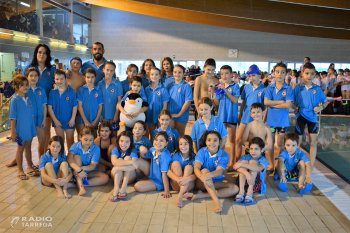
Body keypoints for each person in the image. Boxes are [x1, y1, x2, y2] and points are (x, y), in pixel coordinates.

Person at [291, 62, 329, 170]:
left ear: (315, 75)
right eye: (307, 73)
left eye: (312, 74)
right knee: (297, 143)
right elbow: (291, 103)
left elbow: (325, 102)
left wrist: (321, 107)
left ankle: (311, 165)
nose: (309, 76)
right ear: (302, 73)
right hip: (300, 118)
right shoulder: (297, 88)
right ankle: (296, 164)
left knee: (313, 143)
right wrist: (297, 109)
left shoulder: (317, 89)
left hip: (312, 118)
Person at [192, 131, 238, 213]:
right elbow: (196, 168)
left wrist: (208, 176)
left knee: (235, 189)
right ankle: (216, 201)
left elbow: (219, 171)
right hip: (202, 182)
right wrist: (203, 177)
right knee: (205, 170)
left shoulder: (224, 155)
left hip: (216, 181)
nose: (212, 143)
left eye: (215, 140)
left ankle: (203, 195)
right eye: (209, 140)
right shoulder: (202, 151)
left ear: (220, 141)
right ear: (205, 142)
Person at [23, 44, 55, 153]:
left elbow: (60, 81)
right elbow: (21, 85)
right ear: (36, 54)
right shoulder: (29, 68)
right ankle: (18, 158)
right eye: (39, 52)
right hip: (30, 106)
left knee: (45, 134)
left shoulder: (51, 69)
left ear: (47, 55)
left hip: (45, 105)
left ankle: (44, 157)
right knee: (27, 135)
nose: (42, 55)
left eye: (44, 52)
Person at [264, 62, 293, 172]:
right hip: (271, 121)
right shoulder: (270, 87)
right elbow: (266, 102)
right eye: (277, 72)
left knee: (280, 144)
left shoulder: (288, 88)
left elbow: (287, 105)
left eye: (282, 72)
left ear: (286, 74)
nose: (280, 74)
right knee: (270, 144)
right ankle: (271, 164)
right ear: (273, 73)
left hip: (282, 122)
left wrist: (273, 103)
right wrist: (279, 102)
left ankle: (279, 165)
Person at [7, 76, 38, 179]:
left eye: (26, 84)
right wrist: (13, 132)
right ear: (16, 87)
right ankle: (20, 170)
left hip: (29, 127)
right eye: (22, 85)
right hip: (20, 129)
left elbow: (31, 114)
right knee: (20, 149)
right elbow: (13, 118)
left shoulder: (28, 99)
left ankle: (29, 167)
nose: (25, 87)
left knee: (28, 147)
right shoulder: (14, 100)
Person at [236, 64, 266, 164]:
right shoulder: (246, 88)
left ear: (259, 75)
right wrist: (240, 116)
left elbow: (265, 107)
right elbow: (243, 103)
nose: (251, 78)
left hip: (257, 119)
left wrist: (263, 120)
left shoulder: (264, 89)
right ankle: (237, 162)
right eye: (249, 76)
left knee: (255, 143)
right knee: (238, 140)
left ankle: (255, 163)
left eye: (253, 75)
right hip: (245, 118)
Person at [212, 65, 240, 172]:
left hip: (231, 116)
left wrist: (225, 90)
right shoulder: (220, 86)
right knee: (222, 140)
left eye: (226, 73)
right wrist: (215, 93)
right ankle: (221, 163)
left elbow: (234, 100)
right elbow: (217, 103)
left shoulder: (235, 86)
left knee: (232, 140)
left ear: (231, 74)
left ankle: (232, 162)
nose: (224, 76)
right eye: (222, 74)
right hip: (222, 116)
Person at [67, 126, 109, 195]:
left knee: (105, 178)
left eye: (91, 140)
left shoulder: (96, 148)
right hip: (76, 172)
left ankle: (74, 184)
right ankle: (80, 187)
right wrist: (79, 170)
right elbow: (69, 158)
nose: (88, 142)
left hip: (88, 171)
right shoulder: (75, 146)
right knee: (76, 157)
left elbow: (92, 165)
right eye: (85, 139)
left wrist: (82, 169)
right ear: (80, 137)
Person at [134, 131, 172, 198]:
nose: (158, 143)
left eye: (161, 141)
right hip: (153, 174)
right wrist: (142, 149)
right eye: (156, 140)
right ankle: (141, 177)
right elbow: (144, 156)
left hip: (159, 181)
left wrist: (166, 190)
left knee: (137, 186)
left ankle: (148, 182)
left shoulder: (164, 155)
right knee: (137, 161)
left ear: (166, 143)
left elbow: (164, 174)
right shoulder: (153, 149)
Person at [48, 70, 78, 151]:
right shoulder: (52, 92)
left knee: (70, 140)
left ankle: (70, 158)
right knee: (60, 141)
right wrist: (55, 120)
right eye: (57, 79)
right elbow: (49, 107)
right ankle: (62, 158)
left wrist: (72, 119)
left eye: (61, 79)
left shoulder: (71, 91)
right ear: (54, 80)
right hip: (58, 121)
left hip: (69, 121)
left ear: (65, 79)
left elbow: (75, 106)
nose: (59, 81)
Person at [233, 137, 268, 204]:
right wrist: (247, 173)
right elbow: (235, 166)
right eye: (251, 148)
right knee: (244, 161)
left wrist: (242, 164)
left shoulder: (263, 160)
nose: (253, 151)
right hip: (242, 184)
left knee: (253, 162)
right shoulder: (245, 157)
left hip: (255, 185)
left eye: (256, 149)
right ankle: (241, 192)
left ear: (262, 150)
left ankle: (250, 192)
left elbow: (258, 168)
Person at [167, 135, 196, 208]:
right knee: (175, 163)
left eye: (186, 143)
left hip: (189, 185)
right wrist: (179, 180)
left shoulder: (194, 157)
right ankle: (184, 191)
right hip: (176, 185)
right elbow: (168, 172)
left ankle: (180, 195)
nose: (183, 146)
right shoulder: (175, 156)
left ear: (190, 144)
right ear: (178, 145)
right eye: (181, 144)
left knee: (189, 167)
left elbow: (197, 174)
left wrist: (187, 179)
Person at [25, 67, 47, 161]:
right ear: (27, 77)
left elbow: (44, 106)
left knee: (42, 141)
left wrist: (44, 119)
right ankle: (30, 165)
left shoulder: (41, 91)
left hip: (40, 119)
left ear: (38, 77)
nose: (33, 77)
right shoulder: (24, 91)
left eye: (35, 75)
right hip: (28, 120)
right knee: (28, 144)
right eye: (31, 75)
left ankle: (40, 162)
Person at [109, 131, 138, 201]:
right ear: (118, 141)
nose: (124, 144)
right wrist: (131, 162)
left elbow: (136, 166)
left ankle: (124, 188)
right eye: (121, 141)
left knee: (127, 157)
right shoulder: (115, 149)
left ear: (131, 142)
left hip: (129, 178)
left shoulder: (132, 150)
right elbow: (114, 162)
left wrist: (118, 167)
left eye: (127, 141)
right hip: (116, 177)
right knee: (119, 159)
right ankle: (116, 189)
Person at [77, 68, 103, 138]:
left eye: (92, 77)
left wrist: (96, 120)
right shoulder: (81, 90)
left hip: (94, 118)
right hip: (82, 119)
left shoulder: (99, 91)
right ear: (84, 77)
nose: (90, 79)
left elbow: (100, 107)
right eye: (88, 77)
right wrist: (85, 121)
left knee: (93, 138)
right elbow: (79, 106)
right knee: (82, 137)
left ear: (95, 77)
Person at [167, 65, 193, 136]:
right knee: (170, 135)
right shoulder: (170, 86)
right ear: (173, 73)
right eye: (175, 72)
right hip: (171, 114)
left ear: (183, 74)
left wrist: (179, 114)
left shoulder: (186, 86)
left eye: (179, 72)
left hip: (181, 115)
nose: (177, 74)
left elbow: (188, 102)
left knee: (180, 135)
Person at [145, 67, 170, 137]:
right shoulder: (147, 89)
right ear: (149, 76)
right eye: (152, 74)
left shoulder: (163, 90)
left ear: (160, 76)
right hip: (150, 115)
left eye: (156, 74)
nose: (154, 76)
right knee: (152, 134)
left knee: (160, 135)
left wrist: (162, 117)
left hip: (160, 116)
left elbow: (165, 105)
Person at [97, 61, 123, 126]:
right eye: (107, 70)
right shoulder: (100, 84)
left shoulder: (117, 84)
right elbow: (97, 101)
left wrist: (116, 114)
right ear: (103, 70)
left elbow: (119, 101)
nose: (109, 72)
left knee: (113, 134)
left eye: (111, 70)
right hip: (102, 115)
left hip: (113, 114)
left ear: (114, 71)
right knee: (104, 134)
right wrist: (99, 114)